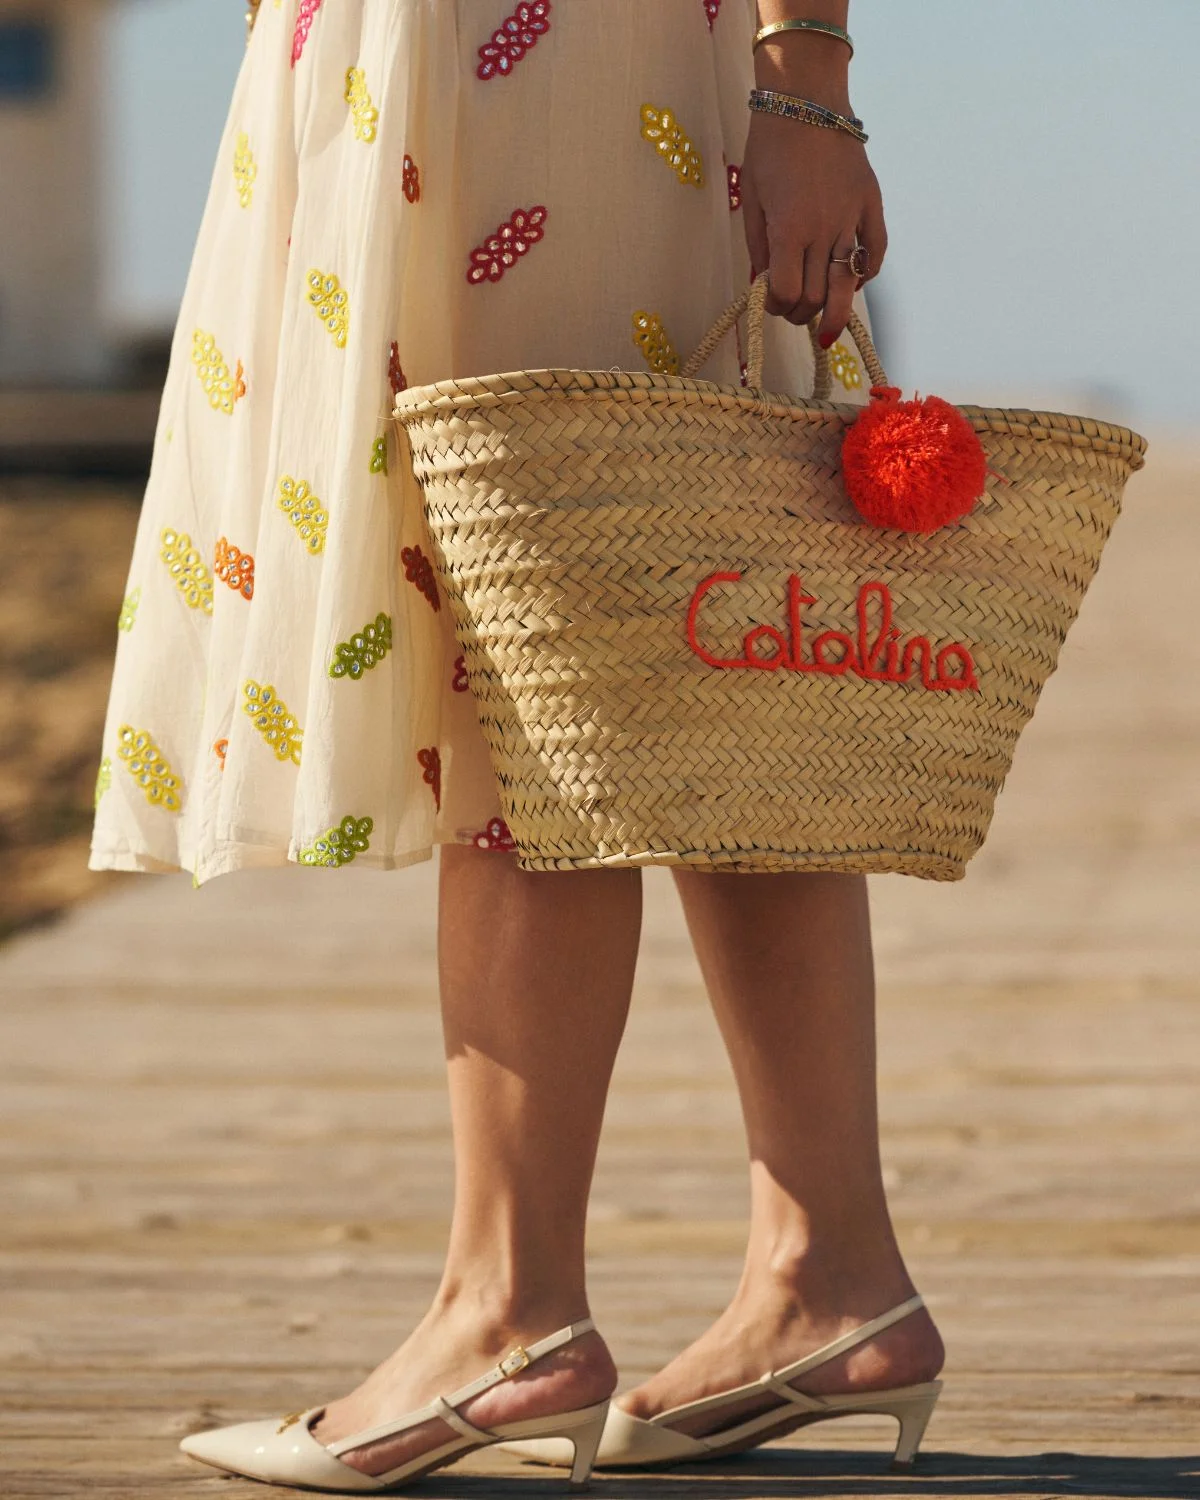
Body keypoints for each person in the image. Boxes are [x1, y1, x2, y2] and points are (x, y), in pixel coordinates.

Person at [90, 0, 944, 1490]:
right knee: (704, 666)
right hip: (427, 73)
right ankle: (826, 1278)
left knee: (543, 647)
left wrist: (807, 75)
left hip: (550, 73)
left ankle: (508, 1315)